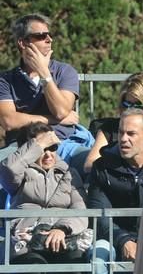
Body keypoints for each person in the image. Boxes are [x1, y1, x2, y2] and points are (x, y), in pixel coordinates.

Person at [0, 13, 92, 170]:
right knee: (4, 167)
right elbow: (9, 121)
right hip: (22, 146)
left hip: (63, 142)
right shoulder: (6, 80)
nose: (49, 39)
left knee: (92, 164)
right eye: (41, 36)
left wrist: (44, 72)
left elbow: (61, 111)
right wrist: (53, 120)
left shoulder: (64, 72)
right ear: (23, 43)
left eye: (50, 34)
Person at [0, 122, 88, 274]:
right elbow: (8, 170)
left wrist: (62, 229)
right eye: (43, 149)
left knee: (76, 267)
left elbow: (81, 210)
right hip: (27, 242)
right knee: (35, 267)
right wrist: (38, 145)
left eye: (52, 147)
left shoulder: (69, 172)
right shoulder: (21, 174)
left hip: (63, 239)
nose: (48, 154)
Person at [87, 109, 143, 274]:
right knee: (98, 257)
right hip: (113, 238)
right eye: (121, 132)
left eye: (131, 133)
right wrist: (124, 240)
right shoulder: (102, 167)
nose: (123, 139)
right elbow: (99, 215)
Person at [84, 72, 143, 173]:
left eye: (139, 106)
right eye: (127, 105)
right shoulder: (110, 128)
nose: (132, 110)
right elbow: (89, 165)